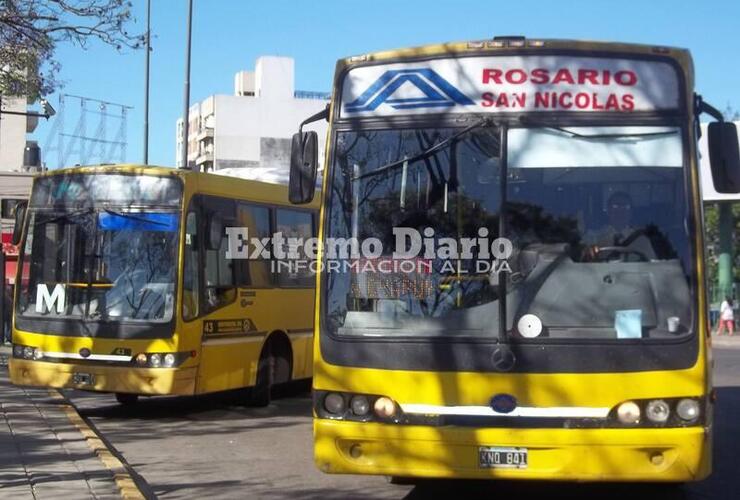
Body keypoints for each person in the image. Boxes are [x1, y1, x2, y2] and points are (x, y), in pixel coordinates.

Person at [583, 191, 655, 261]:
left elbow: (653, 266)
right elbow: (581, 262)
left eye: (626, 207)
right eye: (615, 206)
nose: (620, 211)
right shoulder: (593, 238)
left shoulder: (642, 240)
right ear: (608, 211)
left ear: (631, 212)